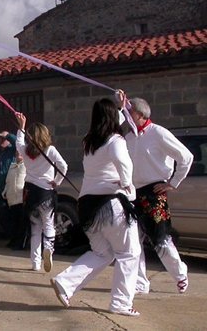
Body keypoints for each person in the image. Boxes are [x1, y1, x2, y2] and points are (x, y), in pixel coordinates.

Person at [51, 98, 141, 317]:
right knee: (129, 253)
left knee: (102, 252)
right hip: (110, 204)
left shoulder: (89, 141)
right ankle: (121, 303)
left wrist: (120, 108)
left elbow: (109, 123)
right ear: (113, 118)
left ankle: (65, 283)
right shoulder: (116, 140)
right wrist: (127, 183)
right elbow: (123, 162)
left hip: (88, 206)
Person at [119, 95, 193, 295]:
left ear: (141, 114)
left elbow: (186, 157)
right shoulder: (128, 138)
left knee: (160, 239)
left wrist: (172, 183)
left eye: (130, 112)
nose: (127, 115)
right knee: (134, 241)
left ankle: (180, 273)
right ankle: (140, 282)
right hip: (133, 192)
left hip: (154, 191)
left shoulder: (158, 133)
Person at [14, 114, 67, 272]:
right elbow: (63, 166)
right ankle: (48, 249)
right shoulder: (50, 150)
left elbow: (18, 143)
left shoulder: (24, 150)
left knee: (35, 228)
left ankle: (35, 263)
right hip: (46, 192)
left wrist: (21, 127)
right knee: (48, 224)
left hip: (30, 193)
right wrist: (57, 181)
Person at [0, 131, 17, 242]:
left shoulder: (12, 151)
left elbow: (19, 143)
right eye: (0, 138)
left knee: (11, 215)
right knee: (3, 215)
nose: (1, 141)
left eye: (4, 139)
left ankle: (14, 238)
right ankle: (9, 236)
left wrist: (8, 135)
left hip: (10, 189)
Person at [1, 150, 26, 250]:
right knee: (13, 222)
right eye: (16, 154)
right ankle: (13, 240)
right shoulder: (12, 166)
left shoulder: (26, 166)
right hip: (12, 198)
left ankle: (20, 243)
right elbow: (8, 181)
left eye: (20, 154)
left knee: (21, 222)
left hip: (21, 198)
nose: (18, 156)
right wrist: (5, 192)